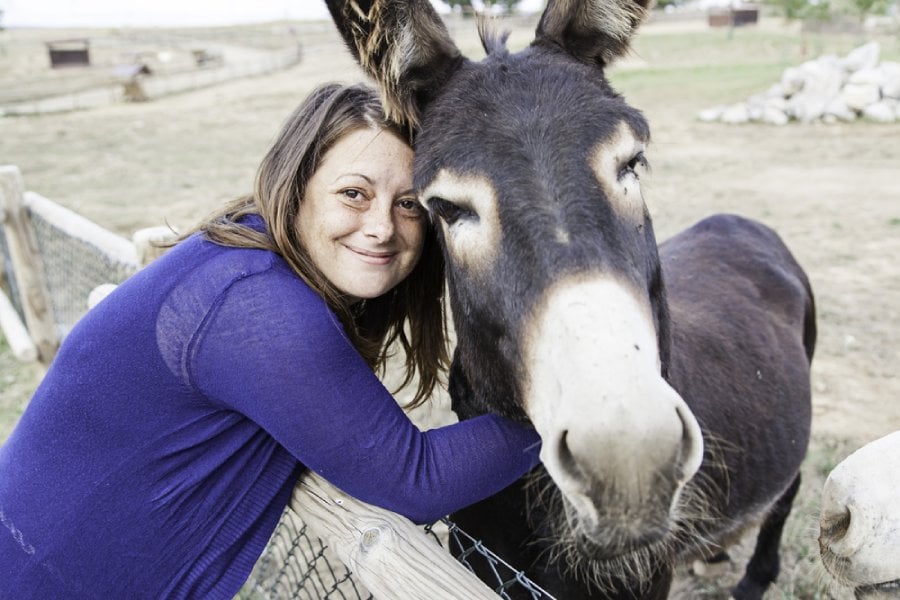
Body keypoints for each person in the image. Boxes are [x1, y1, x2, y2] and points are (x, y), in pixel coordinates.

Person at [0, 83, 541, 598]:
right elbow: (417, 479)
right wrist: (581, 407)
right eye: (354, 193)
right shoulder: (254, 303)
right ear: (296, 184)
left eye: (408, 205)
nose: (381, 226)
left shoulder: (241, 257)